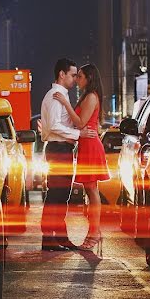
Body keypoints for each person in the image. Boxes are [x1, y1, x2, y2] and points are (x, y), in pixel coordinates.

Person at [39, 58, 96, 252]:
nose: (74, 79)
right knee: (56, 195)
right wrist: (78, 134)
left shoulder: (61, 95)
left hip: (62, 149)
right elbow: (54, 125)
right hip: (58, 150)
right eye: (72, 75)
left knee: (62, 195)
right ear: (61, 74)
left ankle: (60, 237)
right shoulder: (56, 95)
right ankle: (49, 238)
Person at [53, 63, 109, 253]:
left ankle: (94, 233)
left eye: (81, 76)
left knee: (92, 192)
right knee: (89, 192)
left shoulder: (91, 97)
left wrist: (66, 104)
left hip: (91, 147)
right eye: (76, 76)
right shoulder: (87, 96)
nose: (77, 80)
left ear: (89, 78)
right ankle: (94, 232)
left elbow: (80, 123)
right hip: (85, 146)